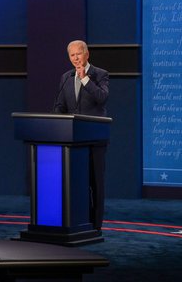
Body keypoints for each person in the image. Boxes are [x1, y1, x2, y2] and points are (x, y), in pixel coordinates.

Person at [52, 40, 109, 230]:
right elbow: (60, 105)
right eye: (72, 55)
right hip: (72, 140)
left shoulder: (99, 74)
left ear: (87, 54)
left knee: (95, 183)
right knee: (77, 183)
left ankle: (96, 226)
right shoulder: (66, 77)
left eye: (79, 54)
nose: (76, 58)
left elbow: (102, 98)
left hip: (94, 139)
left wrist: (85, 79)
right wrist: (56, 122)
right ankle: (80, 222)